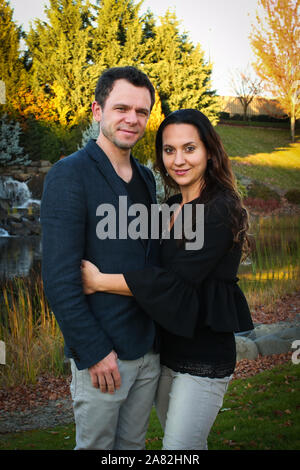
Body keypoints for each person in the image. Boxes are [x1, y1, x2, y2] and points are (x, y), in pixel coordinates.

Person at [81, 108, 254, 450]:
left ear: (209, 151)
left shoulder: (221, 209)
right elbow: (140, 259)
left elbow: (170, 283)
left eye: (190, 148)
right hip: (164, 352)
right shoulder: (169, 207)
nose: (179, 160)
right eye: (169, 150)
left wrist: (100, 281)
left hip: (203, 356)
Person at [40, 66, 161, 450]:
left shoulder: (145, 179)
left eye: (142, 112)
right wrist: (93, 352)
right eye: (121, 107)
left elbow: (148, 261)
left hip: (147, 351)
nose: (132, 119)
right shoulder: (68, 175)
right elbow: (59, 279)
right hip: (103, 357)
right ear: (97, 110)